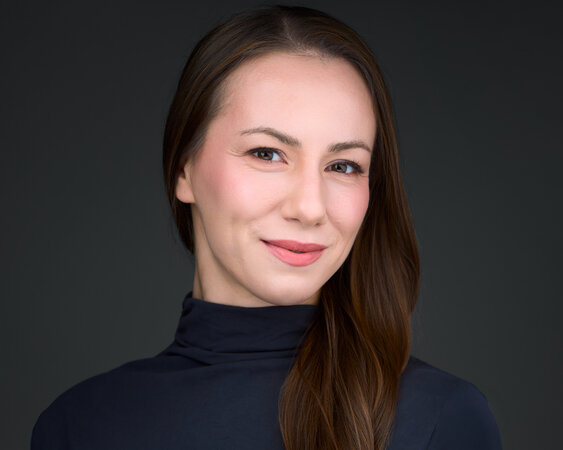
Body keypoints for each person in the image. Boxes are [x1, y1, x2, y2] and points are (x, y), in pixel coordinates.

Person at [31, 5, 502, 450]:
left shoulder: (440, 419)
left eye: (343, 165)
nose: (310, 208)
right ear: (184, 170)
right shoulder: (79, 425)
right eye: (267, 154)